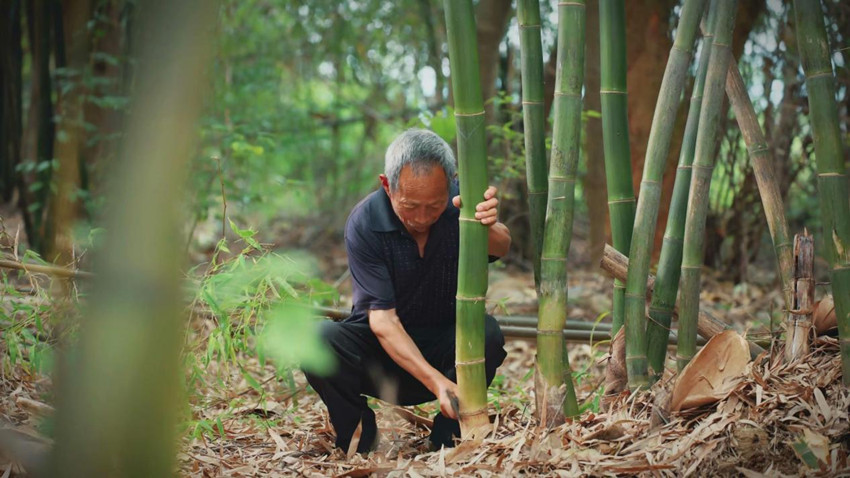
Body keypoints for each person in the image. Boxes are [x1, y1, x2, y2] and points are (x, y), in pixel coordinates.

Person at [302, 129, 511, 453]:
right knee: (317, 339)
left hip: (449, 353)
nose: (423, 218)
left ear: (451, 182)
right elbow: (383, 322)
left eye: (435, 205)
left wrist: (488, 223)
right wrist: (436, 382)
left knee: (487, 332)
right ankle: (361, 436)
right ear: (387, 185)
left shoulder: (461, 204)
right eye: (411, 206)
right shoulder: (365, 222)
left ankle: (451, 437)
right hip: (381, 356)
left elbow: (502, 245)